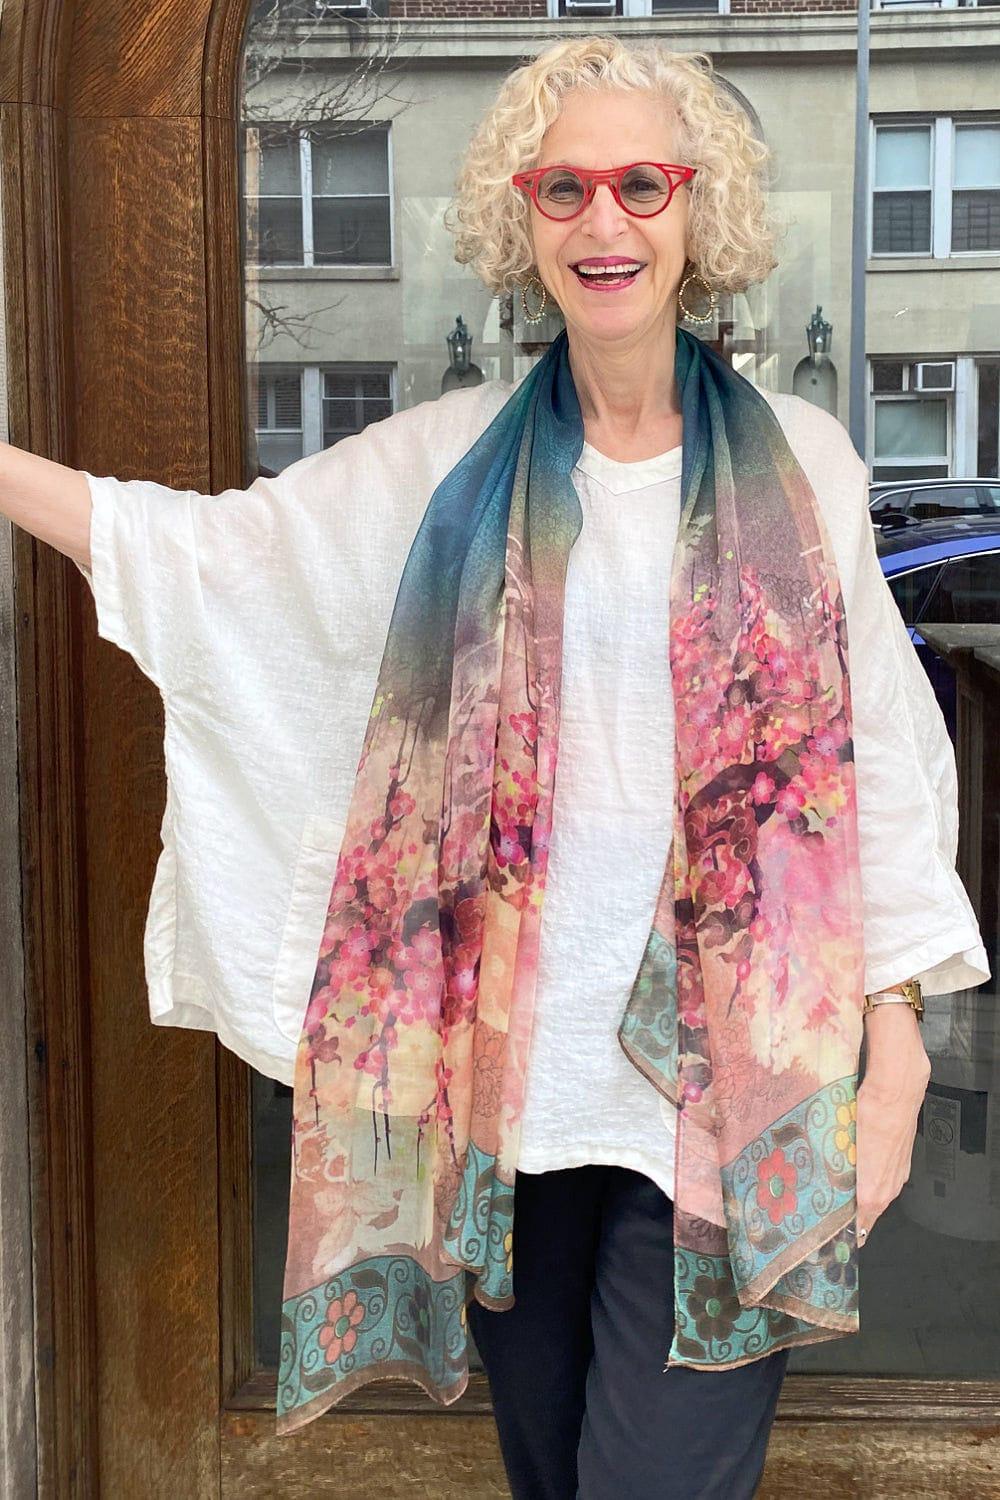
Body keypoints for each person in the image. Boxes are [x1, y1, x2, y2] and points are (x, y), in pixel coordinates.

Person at [0, 33, 989, 1500]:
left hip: (732, 1080)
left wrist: (897, 1045)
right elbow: (213, 557)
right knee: (549, 1475)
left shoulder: (810, 461)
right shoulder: (443, 463)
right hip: (510, 1089)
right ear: (521, 219)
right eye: (565, 187)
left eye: (640, 185)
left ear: (693, 209)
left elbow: (882, 764)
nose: (605, 223)